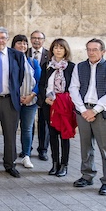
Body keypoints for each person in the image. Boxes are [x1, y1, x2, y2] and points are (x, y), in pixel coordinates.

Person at [69, 38, 106, 195]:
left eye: (95, 49)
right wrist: (83, 109)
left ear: (103, 51)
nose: (91, 52)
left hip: (102, 113)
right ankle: (87, 175)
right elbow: (73, 89)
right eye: (89, 49)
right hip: (83, 111)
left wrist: (94, 110)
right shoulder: (80, 67)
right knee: (85, 146)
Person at [0, 27, 30, 178]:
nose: (0, 41)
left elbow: (21, 76)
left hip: (10, 100)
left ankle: (10, 164)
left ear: (7, 39)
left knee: (10, 134)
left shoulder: (16, 55)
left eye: (3, 38)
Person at [42, 38, 76, 178]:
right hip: (49, 105)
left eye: (61, 48)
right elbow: (41, 84)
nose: (58, 50)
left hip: (64, 106)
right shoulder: (46, 66)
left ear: (65, 50)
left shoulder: (71, 67)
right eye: (55, 47)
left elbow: (74, 87)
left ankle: (64, 165)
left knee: (64, 135)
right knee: (52, 135)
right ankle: (55, 163)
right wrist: (44, 98)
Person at [12, 34, 41, 169]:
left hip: (30, 101)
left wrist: (31, 95)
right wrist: (16, 96)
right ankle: (10, 155)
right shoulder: (10, 61)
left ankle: (26, 155)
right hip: (13, 100)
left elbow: (40, 81)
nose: (22, 45)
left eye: (24, 43)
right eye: (19, 43)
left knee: (27, 129)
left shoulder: (33, 61)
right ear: (13, 45)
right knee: (11, 129)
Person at [29, 30, 51, 160]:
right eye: (34, 38)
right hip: (28, 93)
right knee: (29, 123)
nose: (36, 40)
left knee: (44, 123)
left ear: (43, 40)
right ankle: (27, 148)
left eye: (39, 38)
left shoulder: (50, 55)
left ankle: (43, 150)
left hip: (44, 94)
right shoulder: (24, 52)